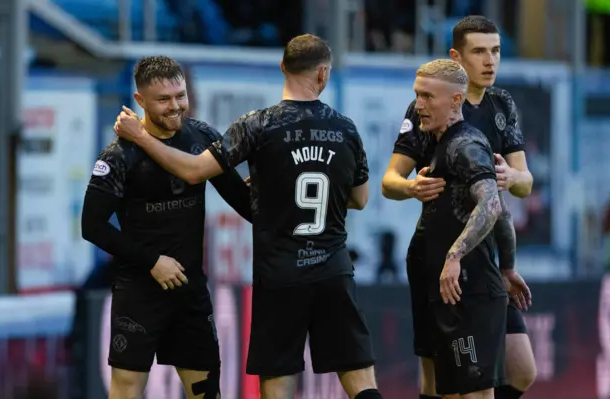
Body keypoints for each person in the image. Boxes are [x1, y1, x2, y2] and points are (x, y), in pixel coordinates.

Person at [114, 34, 384, 399]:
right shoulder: (346, 129)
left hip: (281, 274)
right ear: (323, 74)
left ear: (282, 67)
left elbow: (194, 172)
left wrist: (141, 138)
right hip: (334, 270)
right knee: (359, 378)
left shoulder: (258, 125)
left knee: (278, 380)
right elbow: (360, 199)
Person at [382, 16, 535, 399]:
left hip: (484, 256)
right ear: (457, 57)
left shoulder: (502, 104)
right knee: (440, 378)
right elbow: (389, 182)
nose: (490, 61)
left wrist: (509, 178)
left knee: (519, 371)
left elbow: (524, 183)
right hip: (439, 254)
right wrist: (412, 187)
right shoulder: (429, 104)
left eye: (496, 51)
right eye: (479, 51)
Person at [81, 56, 252, 399]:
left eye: (180, 95)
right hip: (139, 292)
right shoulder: (118, 156)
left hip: (190, 290)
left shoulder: (201, 136)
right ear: (140, 100)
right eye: (164, 99)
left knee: (205, 392)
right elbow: (92, 227)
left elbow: (244, 203)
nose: (175, 106)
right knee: (126, 390)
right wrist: (152, 261)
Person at [410, 58, 507, 398]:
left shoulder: (464, 145)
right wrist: (507, 267)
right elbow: (503, 213)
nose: (419, 105)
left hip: (471, 292)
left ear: (455, 101)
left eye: (427, 97)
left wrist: (454, 255)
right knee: (450, 391)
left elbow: (492, 204)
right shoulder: (440, 144)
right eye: (417, 95)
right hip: (452, 292)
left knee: (476, 393)